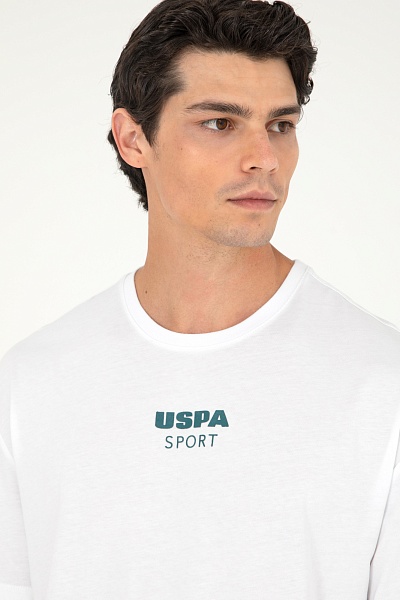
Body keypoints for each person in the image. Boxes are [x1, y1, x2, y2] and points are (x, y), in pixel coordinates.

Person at [1, 0, 399, 598]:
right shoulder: (29, 386)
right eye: (219, 123)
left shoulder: (383, 381)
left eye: (280, 125)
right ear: (133, 138)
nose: (264, 158)